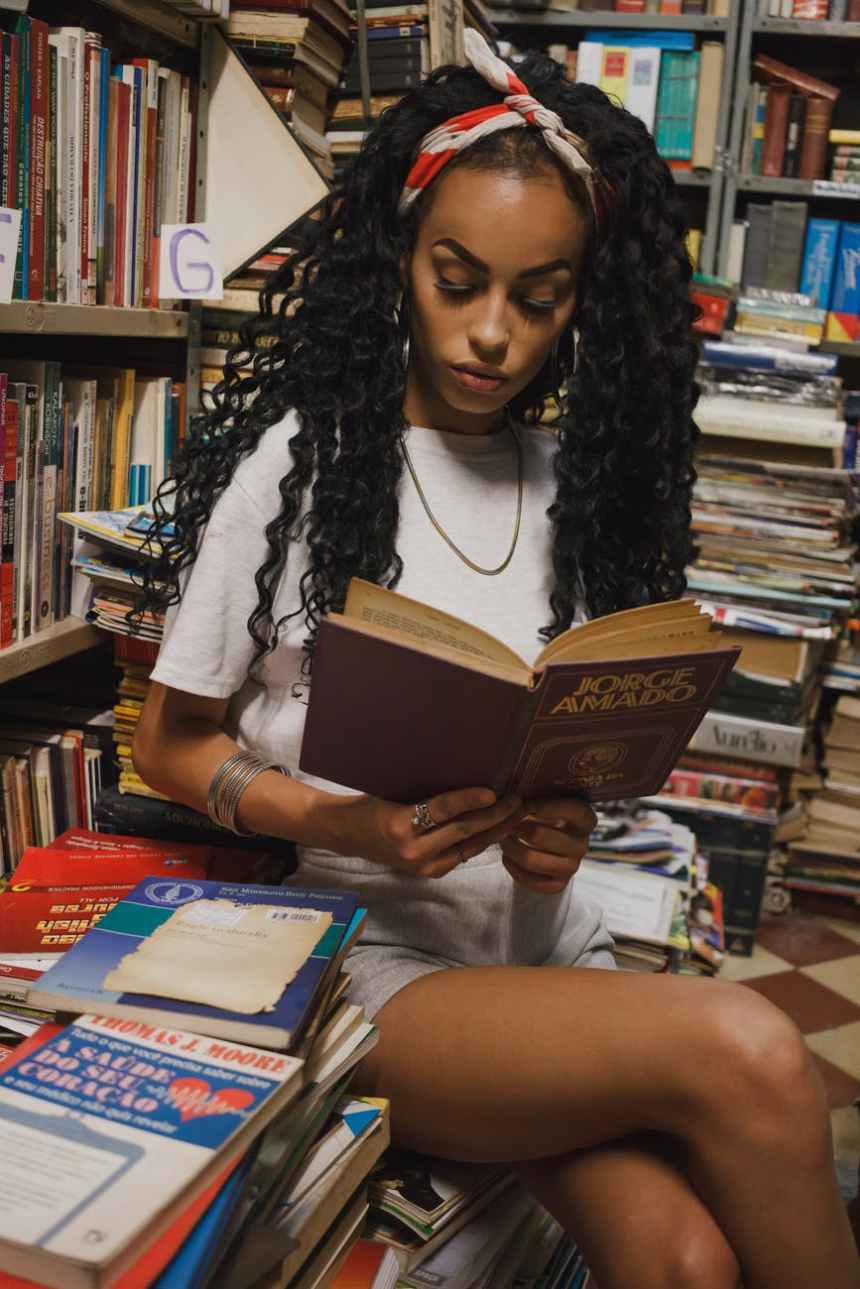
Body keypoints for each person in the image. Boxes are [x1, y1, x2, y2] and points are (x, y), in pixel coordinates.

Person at [133, 31, 860, 1289]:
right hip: (365, 961)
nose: (489, 336)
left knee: (684, 1258)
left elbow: (561, 744)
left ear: (585, 300)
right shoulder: (304, 462)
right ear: (396, 262)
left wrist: (561, 821)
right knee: (747, 1046)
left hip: (538, 950)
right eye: (456, 280)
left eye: (537, 297)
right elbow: (172, 740)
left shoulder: (570, 482)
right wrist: (349, 821)